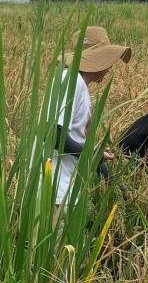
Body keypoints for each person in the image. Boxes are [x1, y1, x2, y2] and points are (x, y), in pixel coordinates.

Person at [51, 26, 131, 206]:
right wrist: (92, 154)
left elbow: (83, 148)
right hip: (54, 189)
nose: (109, 67)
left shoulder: (80, 86)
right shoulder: (70, 80)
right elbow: (52, 134)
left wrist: (118, 188)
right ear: (97, 59)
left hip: (66, 191)